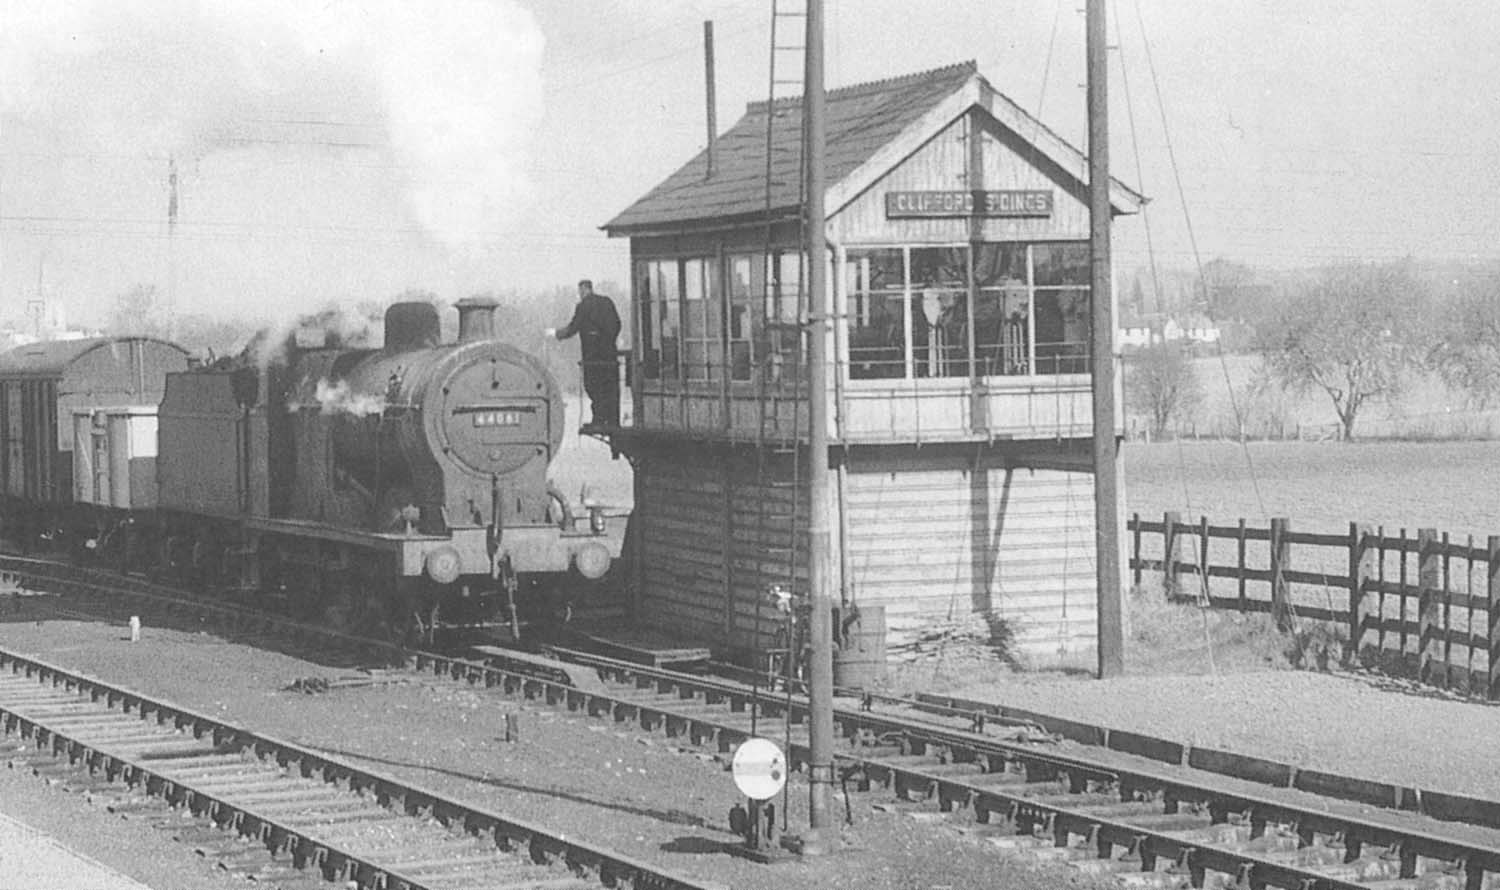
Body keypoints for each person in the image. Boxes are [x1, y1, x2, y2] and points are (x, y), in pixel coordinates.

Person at [551, 279, 622, 427]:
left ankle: (599, 419)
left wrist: (557, 334)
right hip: (610, 355)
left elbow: (573, 328)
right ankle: (612, 420)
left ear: (584, 289)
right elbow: (617, 324)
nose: (580, 294)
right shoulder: (607, 302)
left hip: (592, 356)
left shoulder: (584, 306)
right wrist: (608, 341)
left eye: (580, 291)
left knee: (593, 387)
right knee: (610, 388)